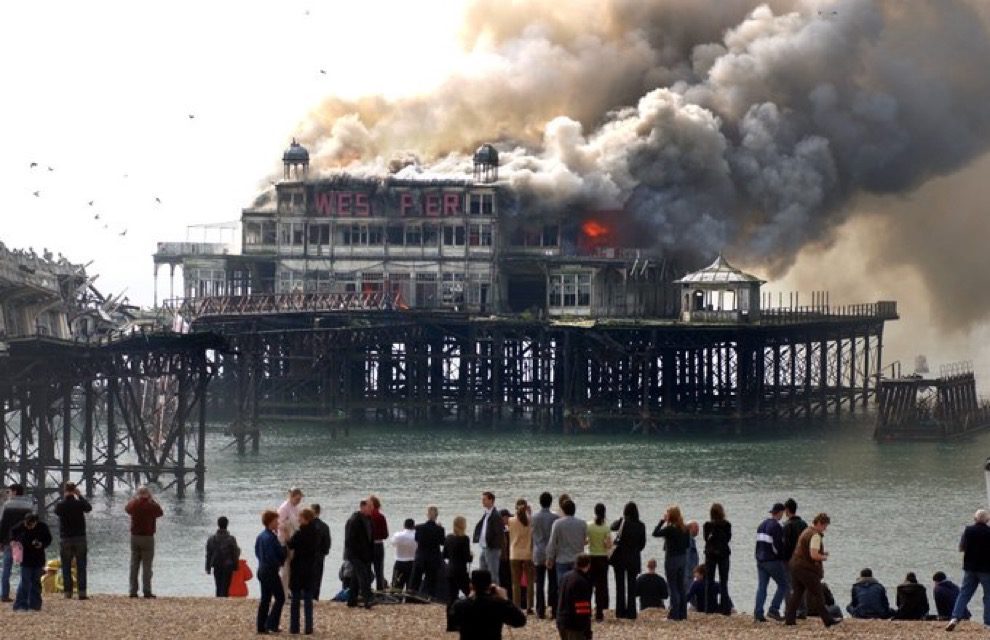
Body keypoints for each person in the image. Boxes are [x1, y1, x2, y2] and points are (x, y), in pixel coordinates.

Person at [784, 512, 840, 627]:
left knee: (797, 594)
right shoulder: (815, 535)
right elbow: (813, 555)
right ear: (819, 523)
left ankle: (789, 619)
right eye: (825, 526)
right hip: (806, 569)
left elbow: (805, 550)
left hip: (795, 566)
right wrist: (823, 557)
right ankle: (828, 620)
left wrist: (821, 552)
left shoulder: (806, 531)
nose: (825, 529)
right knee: (818, 594)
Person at [447, 569, 527, 640]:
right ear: (489, 586)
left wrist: (469, 597)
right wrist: (506, 599)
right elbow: (520, 621)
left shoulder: (460, 605)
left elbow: (452, 623)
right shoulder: (498, 604)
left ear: (471, 585)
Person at [946, 509, 990, 631]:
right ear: (987, 520)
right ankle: (987, 623)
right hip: (986, 569)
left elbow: (961, 548)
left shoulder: (968, 530)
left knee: (964, 593)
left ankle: (954, 618)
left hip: (970, 568)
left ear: (975, 519)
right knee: (988, 596)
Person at [52, 481, 91, 599]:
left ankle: (67, 592)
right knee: (81, 566)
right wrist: (80, 495)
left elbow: (56, 511)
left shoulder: (61, 505)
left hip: (66, 538)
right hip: (80, 537)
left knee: (66, 566)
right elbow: (89, 508)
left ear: (64, 490)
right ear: (74, 490)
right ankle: (82, 592)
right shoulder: (79, 503)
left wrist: (64, 497)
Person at [124, 486, 163, 598]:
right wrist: (152, 499)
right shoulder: (151, 505)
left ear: (138, 494)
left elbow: (127, 509)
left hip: (135, 537)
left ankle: (132, 591)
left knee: (134, 565)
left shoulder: (134, 504)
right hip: (147, 537)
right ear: (148, 494)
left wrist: (135, 498)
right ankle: (147, 590)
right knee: (147, 566)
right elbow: (160, 512)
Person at [653, 505, 690, 620]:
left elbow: (655, 533)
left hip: (672, 559)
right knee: (681, 586)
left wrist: (662, 521)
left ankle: (674, 614)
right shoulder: (685, 529)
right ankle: (683, 614)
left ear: (670, 516)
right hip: (682, 558)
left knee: (672, 586)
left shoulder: (669, 529)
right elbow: (687, 545)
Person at [611, 501, 647, 620]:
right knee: (632, 587)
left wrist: (621, 519)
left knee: (619, 586)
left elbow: (612, 527)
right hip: (633, 558)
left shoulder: (622, 522)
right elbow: (643, 544)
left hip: (620, 558)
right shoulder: (641, 525)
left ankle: (620, 612)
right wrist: (635, 550)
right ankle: (632, 613)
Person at [754, 502, 788, 622]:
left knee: (762, 587)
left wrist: (757, 557)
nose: (782, 515)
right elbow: (778, 546)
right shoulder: (776, 527)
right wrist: (783, 558)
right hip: (772, 560)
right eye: (782, 513)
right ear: (779, 513)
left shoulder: (761, 525)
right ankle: (774, 609)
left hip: (760, 560)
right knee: (784, 584)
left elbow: (758, 544)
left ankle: (758, 613)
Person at [287, 508, 320, 635]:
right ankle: (308, 627)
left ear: (305, 519)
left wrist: (287, 536)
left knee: (295, 599)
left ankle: (295, 627)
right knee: (308, 599)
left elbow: (291, 544)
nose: (298, 519)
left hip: (298, 568)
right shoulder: (316, 532)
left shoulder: (300, 533)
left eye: (300, 517)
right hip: (310, 568)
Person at [10, 513, 52, 611]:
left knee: (36, 582)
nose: (28, 527)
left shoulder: (43, 527)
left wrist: (42, 544)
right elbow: (12, 531)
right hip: (25, 559)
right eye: (27, 525)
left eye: (31, 525)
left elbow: (49, 539)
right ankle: (20, 605)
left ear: (35, 522)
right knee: (24, 582)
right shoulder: (21, 525)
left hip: (38, 558)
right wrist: (12, 540)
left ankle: (35, 605)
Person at [0, 483, 34, 602]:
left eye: (9, 491)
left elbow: (3, 524)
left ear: (14, 492)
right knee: (25, 568)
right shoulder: (29, 505)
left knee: (6, 568)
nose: (8, 494)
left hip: (9, 541)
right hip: (24, 541)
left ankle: (4, 594)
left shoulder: (7, 505)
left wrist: (1, 541)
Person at [256, 509, 287, 634]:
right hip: (270, 571)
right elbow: (274, 555)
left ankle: (261, 626)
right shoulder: (270, 538)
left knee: (265, 599)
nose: (278, 523)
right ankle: (271, 623)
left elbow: (257, 552)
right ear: (270, 522)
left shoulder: (261, 536)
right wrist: (281, 560)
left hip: (262, 569)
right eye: (276, 521)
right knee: (280, 597)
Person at [546, 499, 587, 589]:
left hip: (562, 560)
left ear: (563, 510)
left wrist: (550, 558)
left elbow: (552, 542)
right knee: (576, 587)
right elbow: (585, 540)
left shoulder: (557, 523)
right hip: (577, 560)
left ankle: (563, 603)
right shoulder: (582, 523)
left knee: (562, 587)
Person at [531, 492, 559, 619]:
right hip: (551, 553)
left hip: (538, 551)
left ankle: (540, 610)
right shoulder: (555, 518)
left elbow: (532, 534)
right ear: (550, 502)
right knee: (553, 582)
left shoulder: (534, 517)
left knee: (540, 583)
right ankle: (553, 609)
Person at [344, 499, 375, 608]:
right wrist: (355, 553)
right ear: (362, 507)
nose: (372, 509)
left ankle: (351, 600)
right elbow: (349, 540)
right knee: (364, 576)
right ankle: (368, 599)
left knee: (356, 578)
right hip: (355, 554)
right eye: (369, 506)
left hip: (365, 554)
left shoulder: (369, 519)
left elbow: (370, 538)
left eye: (372, 507)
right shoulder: (354, 520)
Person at [702, 503, 731, 615]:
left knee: (709, 581)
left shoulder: (707, 525)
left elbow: (706, 539)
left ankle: (709, 608)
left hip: (710, 554)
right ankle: (725, 608)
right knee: (724, 582)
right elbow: (728, 539)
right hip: (724, 554)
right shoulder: (727, 525)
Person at [557, 554, 594, 640]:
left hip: (561, 620)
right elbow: (583, 608)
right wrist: (587, 631)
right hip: (574, 625)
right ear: (588, 565)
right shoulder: (582, 581)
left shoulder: (565, 577)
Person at [508, 499, 535, 614]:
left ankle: (517, 606)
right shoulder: (531, 520)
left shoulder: (511, 520)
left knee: (516, 582)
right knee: (530, 582)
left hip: (514, 553)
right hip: (528, 553)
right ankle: (529, 607)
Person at [413, 505, 445, 599]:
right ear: (437, 516)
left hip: (421, 556)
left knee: (416, 579)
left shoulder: (419, 527)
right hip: (434, 557)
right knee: (431, 580)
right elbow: (442, 542)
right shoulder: (440, 529)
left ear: (427, 515)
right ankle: (429, 597)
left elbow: (416, 539)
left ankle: (413, 597)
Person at [586, 503, 611, 622]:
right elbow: (608, 545)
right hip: (602, 558)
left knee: (589, 585)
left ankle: (588, 610)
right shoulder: (606, 527)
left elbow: (585, 541)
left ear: (594, 512)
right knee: (600, 587)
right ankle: (599, 613)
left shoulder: (589, 525)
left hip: (591, 557)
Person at [205, 516, 240, 597]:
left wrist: (208, 568)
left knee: (218, 585)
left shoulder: (211, 539)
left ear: (218, 525)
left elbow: (208, 554)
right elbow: (235, 553)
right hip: (228, 565)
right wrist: (236, 566)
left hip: (216, 564)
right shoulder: (231, 539)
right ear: (227, 525)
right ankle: (224, 600)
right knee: (226, 586)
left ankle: (218, 600)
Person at [473, 492, 504, 585]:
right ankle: (484, 593)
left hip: (492, 548)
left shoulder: (496, 515)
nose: (482, 501)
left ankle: (495, 596)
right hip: (484, 547)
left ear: (491, 500)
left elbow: (498, 533)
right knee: (483, 573)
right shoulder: (487, 514)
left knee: (493, 575)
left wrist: (492, 544)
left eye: (484, 499)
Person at [277, 488, 304, 593]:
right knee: (285, 569)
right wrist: (287, 533)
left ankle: (289, 590)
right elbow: (279, 523)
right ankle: (283, 592)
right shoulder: (284, 508)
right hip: (284, 540)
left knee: (291, 569)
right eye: (297, 498)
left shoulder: (295, 508)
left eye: (300, 499)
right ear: (292, 496)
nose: (299, 501)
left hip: (293, 540)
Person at [444, 515, 473, 606]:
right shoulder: (465, 539)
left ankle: (451, 616)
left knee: (452, 596)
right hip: (460, 571)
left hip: (449, 570)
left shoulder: (448, 537)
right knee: (470, 593)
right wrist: (471, 556)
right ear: (463, 526)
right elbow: (467, 558)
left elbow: (444, 555)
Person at [310, 504, 332, 600]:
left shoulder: (307, 525)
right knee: (318, 576)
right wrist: (324, 552)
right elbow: (327, 542)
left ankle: (306, 595)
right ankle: (315, 596)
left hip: (308, 554)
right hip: (319, 555)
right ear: (319, 512)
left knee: (307, 575)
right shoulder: (324, 526)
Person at [369, 495, 389, 592]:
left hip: (367, 546)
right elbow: (385, 534)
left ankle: (366, 590)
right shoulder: (381, 517)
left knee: (366, 569)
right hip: (378, 545)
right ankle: (380, 591)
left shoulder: (366, 517)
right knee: (379, 570)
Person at [391, 518, 418, 591]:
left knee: (396, 587)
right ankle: (410, 600)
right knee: (411, 587)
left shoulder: (398, 535)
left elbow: (392, 543)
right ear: (413, 526)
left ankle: (397, 599)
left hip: (400, 562)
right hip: (413, 562)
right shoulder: (417, 536)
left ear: (404, 525)